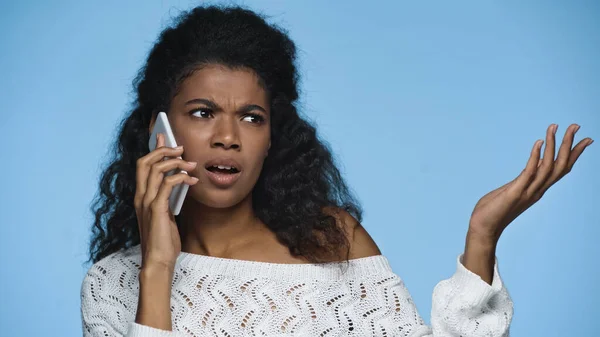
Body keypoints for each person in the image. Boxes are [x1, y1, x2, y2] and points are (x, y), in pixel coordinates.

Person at [80, 5, 593, 337]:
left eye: (252, 118)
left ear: (272, 136)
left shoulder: (332, 243)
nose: (228, 137)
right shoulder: (111, 284)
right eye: (202, 112)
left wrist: (481, 237)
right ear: (158, 132)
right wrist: (157, 268)